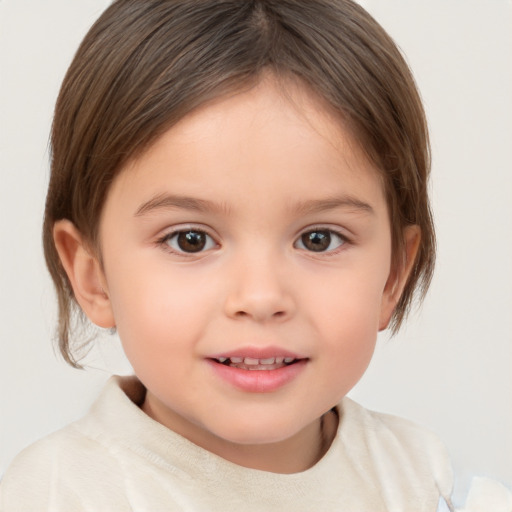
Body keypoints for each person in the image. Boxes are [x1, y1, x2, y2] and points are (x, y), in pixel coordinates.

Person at [0, 1, 510, 510]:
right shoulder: (53, 494)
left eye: (319, 239)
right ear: (92, 276)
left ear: (393, 274)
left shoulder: (430, 486)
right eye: (190, 240)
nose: (261, 297)